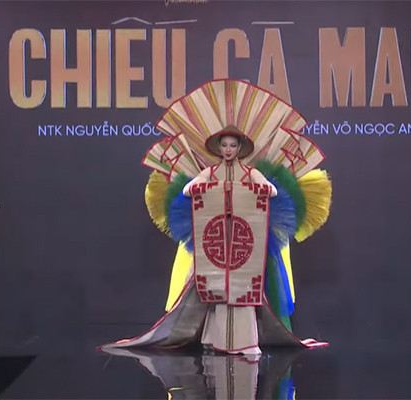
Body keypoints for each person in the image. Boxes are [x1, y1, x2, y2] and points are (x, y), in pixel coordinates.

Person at [99, 79, 331, 358]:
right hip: (217, 239)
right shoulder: (210, 172)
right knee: (215, 289)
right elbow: (188, 189)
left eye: (233, 145)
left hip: (244, 241)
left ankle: (248, 341)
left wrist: (253, 192)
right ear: (219, 148)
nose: (229, 150)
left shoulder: (250, 173)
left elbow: (270, 190)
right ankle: (213, 338)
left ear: (240, 148)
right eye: (225, 145)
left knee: (244, 290)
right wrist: (206, 189)